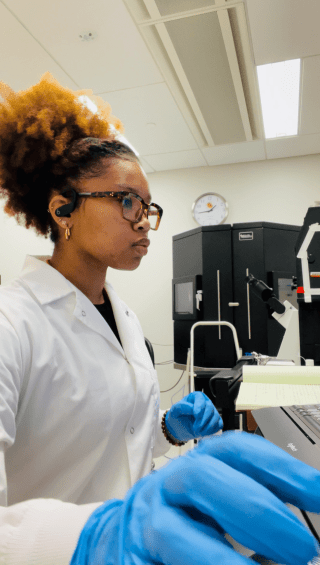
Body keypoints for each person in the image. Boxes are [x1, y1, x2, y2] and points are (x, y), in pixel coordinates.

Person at [0, 73, 319, 565]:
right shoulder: (11, 323)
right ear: (63, 209)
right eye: (126, 200)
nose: (144, 221)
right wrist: (91, 539)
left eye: (149, 207)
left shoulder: (121, 317)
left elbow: (121, 441)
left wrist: (167, 427)